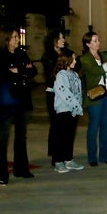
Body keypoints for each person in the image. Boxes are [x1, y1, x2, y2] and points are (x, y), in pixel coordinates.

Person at [0, 27, 38, 185]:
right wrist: (20, 70)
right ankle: (1, 173)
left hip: (22, 99)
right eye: (15, 37)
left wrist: (19, 70)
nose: (18, 39)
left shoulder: (21, 53)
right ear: (6, 39)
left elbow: (33, 71)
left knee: (21, 136)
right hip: (7, 101)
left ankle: (21, 168)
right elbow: (1, 73)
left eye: (18, 37)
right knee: (3, 137)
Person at [79, 31, 107, 166]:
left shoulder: (103, 55)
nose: (98, 43)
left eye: (98, 40)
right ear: (88, 44)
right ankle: (92, 157)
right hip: (95, 95)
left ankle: (104, 155)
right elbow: (96, 71)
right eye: (95, 40)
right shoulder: (84, 59)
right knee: (94, 125)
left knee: (106, 125)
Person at [51, 48, 85, 173]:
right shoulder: (61, 75)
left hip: (74, 110)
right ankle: (59, 161)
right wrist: (75, 105)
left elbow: (78, 92)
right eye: (73, 58)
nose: (75, 61)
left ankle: (68, 160)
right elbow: (64, 92)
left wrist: (78, 105)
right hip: (64, 110)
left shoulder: (74, 74)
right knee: (61, 136)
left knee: (70, 136)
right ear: (66, 60)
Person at [42, 29, 66, 166]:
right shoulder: (49, 56)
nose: (63, 40)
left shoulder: (64, 53)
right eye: (61, 38)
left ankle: (60, 153)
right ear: (54, 41)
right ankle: (56, 157)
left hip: (64, 92)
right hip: (54, 93)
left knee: (61, 125)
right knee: (56, 124)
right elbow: (52, 76)